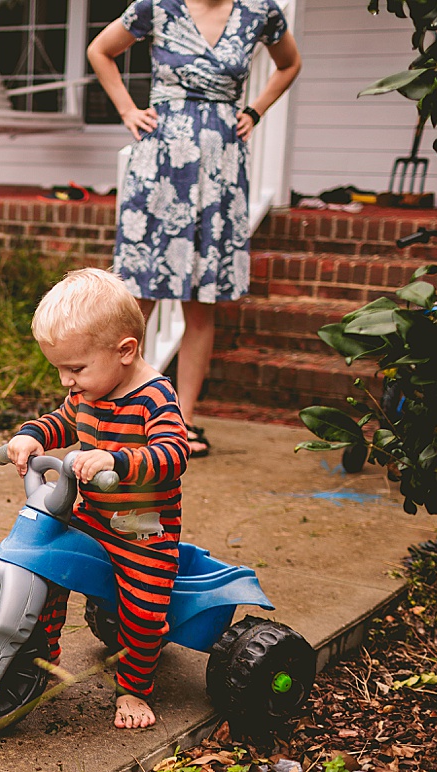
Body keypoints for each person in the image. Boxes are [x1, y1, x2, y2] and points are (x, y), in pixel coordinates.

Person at [88, 0, 302, 457]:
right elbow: (99, 51)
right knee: (137, 296)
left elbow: (289, 64)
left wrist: (256, 110)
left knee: (201, 301)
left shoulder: (259, 12)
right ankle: (116, 411)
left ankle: (180, 424)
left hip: (221, 166)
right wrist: (127, 110)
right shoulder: (157, 7)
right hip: (162, 162)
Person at [6, 268, 190, 730]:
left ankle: (134, 687)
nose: (68, 381)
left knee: (145, 609)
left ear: (125, 351)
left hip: (141, 527)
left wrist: (116, 461)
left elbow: (173, 453)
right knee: (47, 573)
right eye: (60, 370)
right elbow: (61, 420)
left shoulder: (155, 398)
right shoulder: (91, 391)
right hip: (92, 517)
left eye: (76, 368)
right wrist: (31, 436)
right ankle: (41, 660)